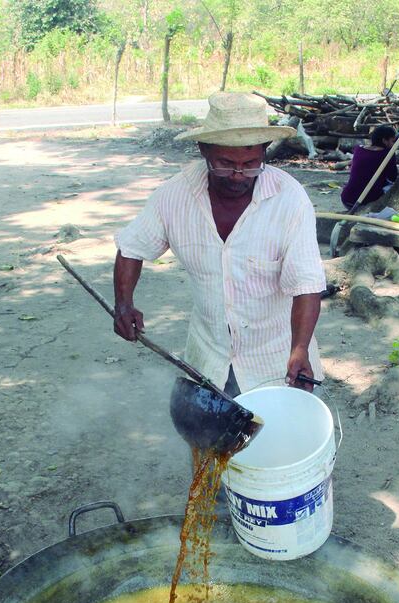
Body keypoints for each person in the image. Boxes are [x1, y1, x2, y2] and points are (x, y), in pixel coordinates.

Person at [113, 92, 327, 397]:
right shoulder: (174, 196)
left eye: (251, 164)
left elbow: (307, 283)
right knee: (209, 442)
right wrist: (123, 304)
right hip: (208, 358)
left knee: (278, 442)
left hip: (277, 360)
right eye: (225, 164)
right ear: (204, 151)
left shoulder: (290, 200)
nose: (239, 176)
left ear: (265, 152)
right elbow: (132, 247)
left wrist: (300, 348)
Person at [340, 124, 398, 210]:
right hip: (366, 201)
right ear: (384, 141)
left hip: (347, 199)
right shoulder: (387, 154)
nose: (394, 144)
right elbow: (393, 178)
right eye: (392, 141)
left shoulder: (358, 149)